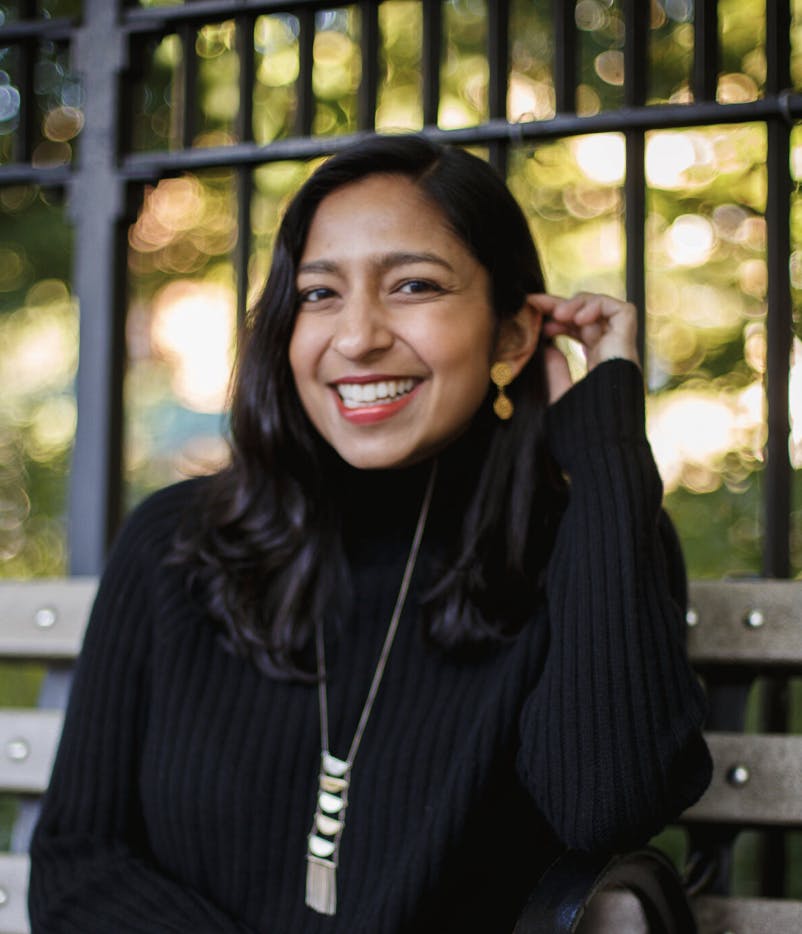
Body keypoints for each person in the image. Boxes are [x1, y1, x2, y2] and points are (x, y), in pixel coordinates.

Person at [29, 134, 711, 933]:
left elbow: (609, 807)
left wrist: (604, 455)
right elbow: (76, 862)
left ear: (513, 336)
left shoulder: (587, 541)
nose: (357, 337)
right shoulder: (174, 544)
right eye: (319, 294)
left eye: (414, 285)